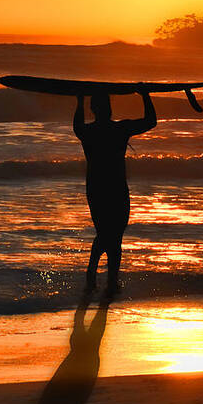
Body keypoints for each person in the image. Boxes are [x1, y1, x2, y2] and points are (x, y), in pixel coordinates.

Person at [73, 84, 157, 295]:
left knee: (107, 234)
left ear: (93, 108)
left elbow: (77, 126)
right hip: (116, 188)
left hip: (97, 188)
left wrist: (79, 100)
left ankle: (101, 279)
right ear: (109, 108)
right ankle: (101, 278)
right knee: (113, 235)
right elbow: (151, 121)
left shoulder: (87, 131)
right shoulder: (120, 129)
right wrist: (145, 96)